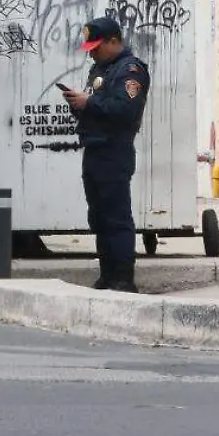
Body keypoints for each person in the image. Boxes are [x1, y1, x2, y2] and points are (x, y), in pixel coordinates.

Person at [61, 16, 151, 293]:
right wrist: (80, 104)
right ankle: (107, 275)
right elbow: (98, 104)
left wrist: (91, 102)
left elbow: (126, 109)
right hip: (95, 148)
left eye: (97, 47)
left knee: (116, 217)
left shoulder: (130, 70)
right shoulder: (102, 69)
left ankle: (123, 279)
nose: (92, 52)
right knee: (99, 217)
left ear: (114, 41)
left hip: (114, 150)